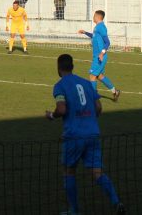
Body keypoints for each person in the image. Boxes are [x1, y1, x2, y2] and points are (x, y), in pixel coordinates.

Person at [46, 54, 126, 215]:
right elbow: (98, 108)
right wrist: (88, 120)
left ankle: (74, 210)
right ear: (73, 66)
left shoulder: (59, 86)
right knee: (98, 172)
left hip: (74, 136)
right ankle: (116, 202)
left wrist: (52, 116)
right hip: (92, 134)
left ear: (58, 68)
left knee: (69, 171)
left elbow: (61, 109)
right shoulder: (87, 83)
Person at [78, 11, 120, 102]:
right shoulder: (97, 27)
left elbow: (107, 42)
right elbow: (94, 36)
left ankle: (93, 97)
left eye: (94, 16)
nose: (93, 17)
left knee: (92, 76)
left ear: (97, 16)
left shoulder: (101, 27)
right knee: (100, 76)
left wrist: (102, 53)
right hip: (98, 56)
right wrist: (85, 32)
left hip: (100, 57)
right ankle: (115, 92)